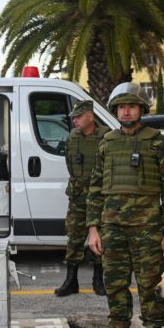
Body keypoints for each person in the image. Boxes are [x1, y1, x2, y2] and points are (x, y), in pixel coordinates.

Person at [86, 82, 164, 328]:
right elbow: (95, 187)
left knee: (150, 285)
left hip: (148, 229)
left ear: (141, 109)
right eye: (121, 107)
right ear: (116, 110)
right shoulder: (108, 143)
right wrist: (93, 228)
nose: (126, 111)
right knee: (114, 285)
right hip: (112, 228)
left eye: (131, 106)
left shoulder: (158, 142)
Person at [55, 100, 109, 297]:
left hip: (99, 196)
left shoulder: (106, 137)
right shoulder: (72, 137)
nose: (75, 120)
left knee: (99, 237)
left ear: (91, 116)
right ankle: (71, 281)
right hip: (78, 196)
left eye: (78, 117)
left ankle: (98, 280)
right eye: (73, 117)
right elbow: (70, 164)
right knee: (74, 237)